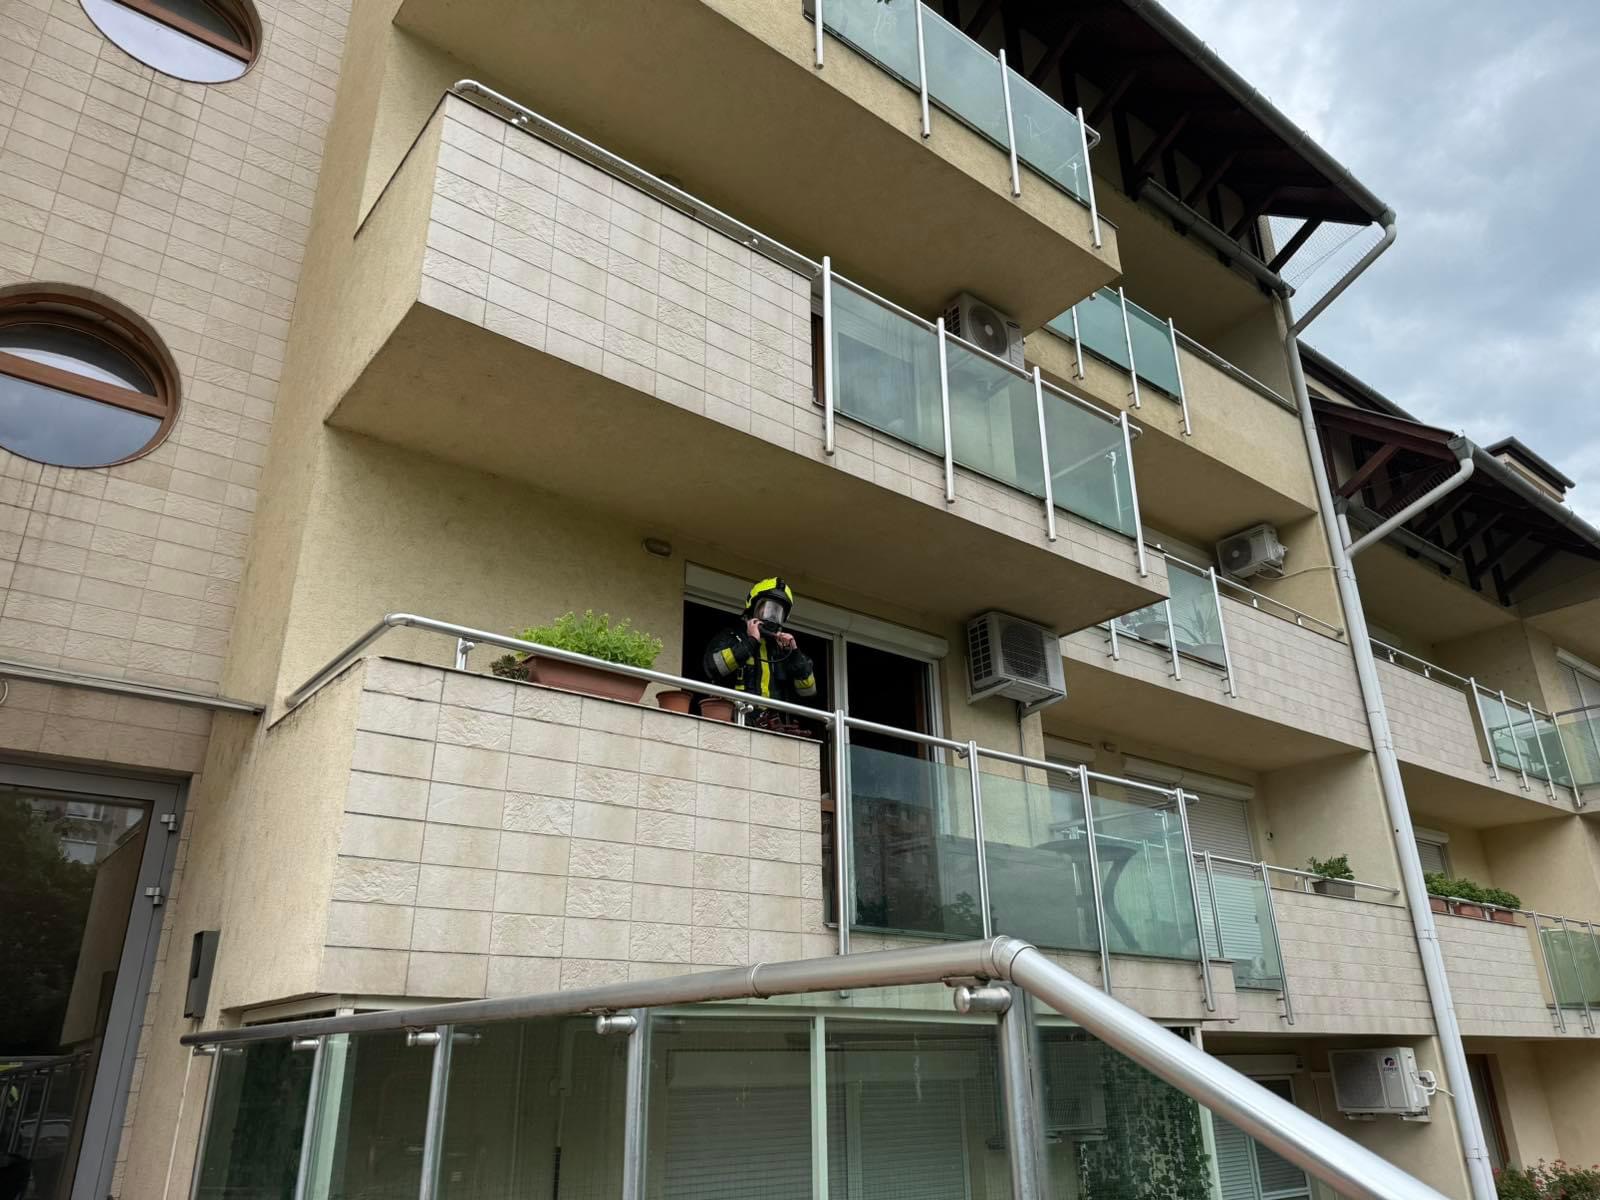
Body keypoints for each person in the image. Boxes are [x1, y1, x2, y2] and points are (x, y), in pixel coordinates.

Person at [703, 577, 818, 711]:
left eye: (777, 612)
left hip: (771, 722)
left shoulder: (783, 651)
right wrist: (750, 642)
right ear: (753, 608)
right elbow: (712, 667)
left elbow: (808, 691)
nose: (772, 617)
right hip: (737, 718)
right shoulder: (732, 636)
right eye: (768, 609)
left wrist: (794, 654)